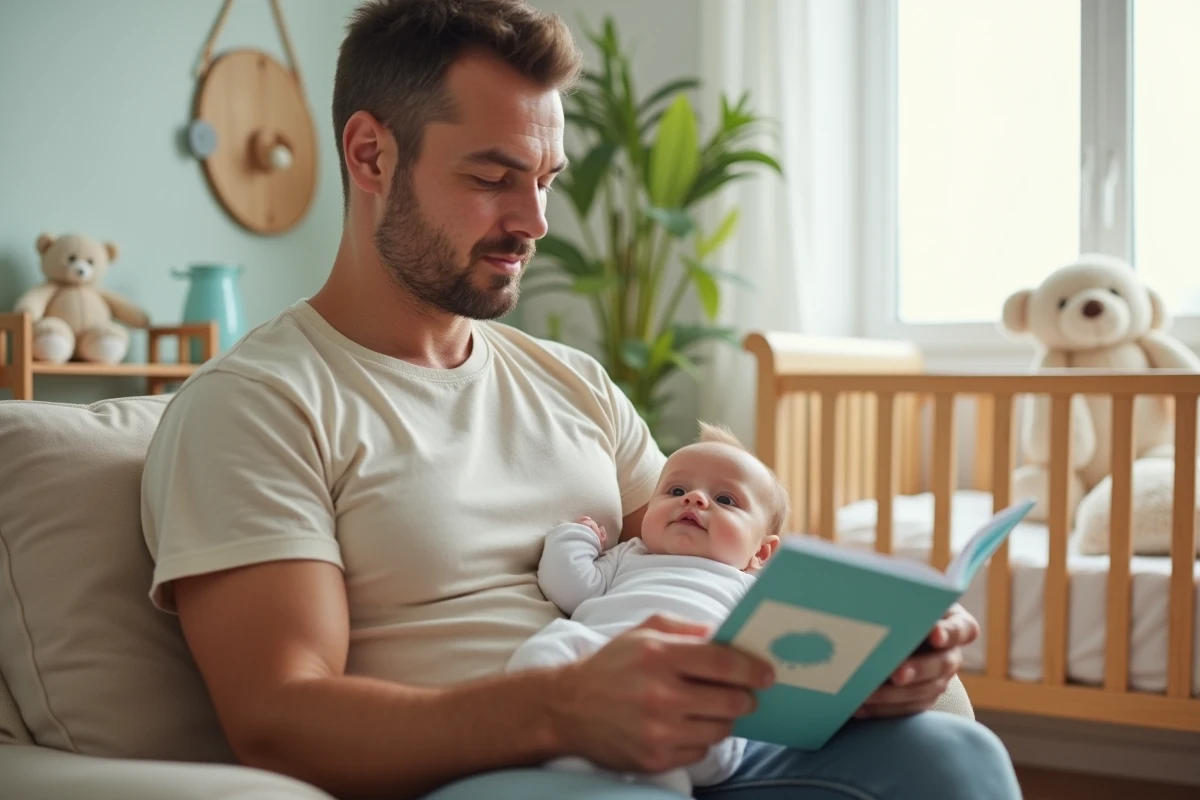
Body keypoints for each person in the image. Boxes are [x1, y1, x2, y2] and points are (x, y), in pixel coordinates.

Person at [139, 1, 1023, 798]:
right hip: (494, 773)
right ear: (371, 153)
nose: (535, 221)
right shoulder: (258, 404)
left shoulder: (572, 381)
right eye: (493, 178)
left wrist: (861, 659)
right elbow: (277, 719)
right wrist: (558, 710)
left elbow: (705, 561)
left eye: (547, 178)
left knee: (956, 757)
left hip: (694, 752)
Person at [506, 422, 790, 795]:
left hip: (694, 698)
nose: (695, 500)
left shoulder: (749, 588)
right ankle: (540, 734)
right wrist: (575, 538)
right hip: (599, 674)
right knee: (557, 641)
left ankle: (654, 775)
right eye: (676, 490)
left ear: (760, 552)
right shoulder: (630, 554)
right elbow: (569, 588)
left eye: (725, 500)